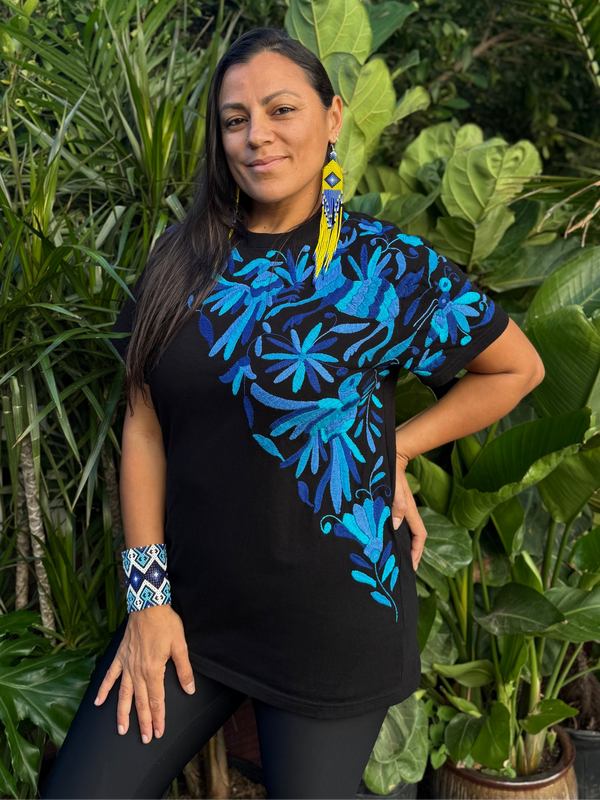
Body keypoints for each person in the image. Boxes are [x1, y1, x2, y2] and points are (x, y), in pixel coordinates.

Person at [40, 26, 545, 800]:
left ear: (333, 117)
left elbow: (516, 367)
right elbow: (144, 425)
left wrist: (396, 449)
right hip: (192, 614)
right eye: (236, 120)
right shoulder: (181, 258)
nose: (257, 137)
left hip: (333, 622)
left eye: (281, 110)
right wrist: (148, 599)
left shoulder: (384, 267)